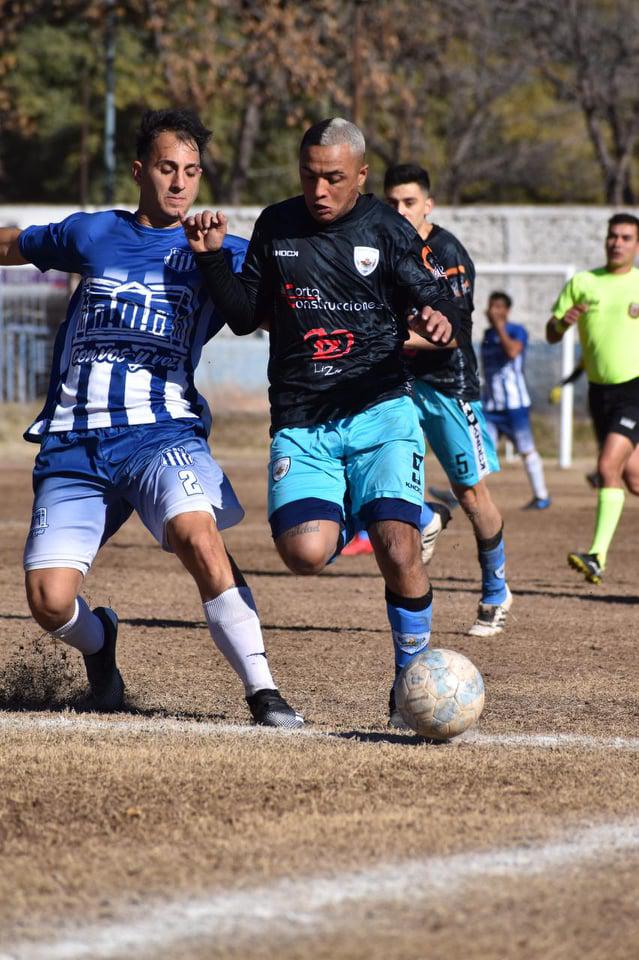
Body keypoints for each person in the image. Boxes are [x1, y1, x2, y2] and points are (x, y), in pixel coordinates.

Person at [0, 108, 302, 728]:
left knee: (198, 535)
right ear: (140, 170)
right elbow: (13, 243)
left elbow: (282, 310)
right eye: (167, 168)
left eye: (192, 171)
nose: (180, 183)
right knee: (49, 601)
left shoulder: (222, 251)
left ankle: (264, 692)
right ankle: (100, 640)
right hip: (75, 441)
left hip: (162, 433)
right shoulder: (92, 235)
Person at [180, 118, 461, 725]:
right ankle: (386, 509)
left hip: (380, 409)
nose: (320, 190)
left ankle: (409, 675)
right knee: (304, 552)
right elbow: (244, 315)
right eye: (310, 176)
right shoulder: (276, 224)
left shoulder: (386, 228)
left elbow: (430, 294)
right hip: (302, 418)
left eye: (334, 178)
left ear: (361, 175)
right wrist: (209, 261)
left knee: (397, 546)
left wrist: (439, 317)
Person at [384, 163, 512, 638]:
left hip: (448, 386)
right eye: (392, 202)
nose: (400, 211)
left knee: (472, 494)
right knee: (371, 474)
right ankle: (425, 515)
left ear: (428, 205)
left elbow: (452, 335)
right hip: (395, 383)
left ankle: (496, 591)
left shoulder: (446, 252)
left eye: (409, 203)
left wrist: (387, 340)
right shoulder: (380, 243)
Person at [546, 212, 639, 584]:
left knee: (605, 469)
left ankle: (597, 556)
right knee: (633, 478)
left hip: (636, 388)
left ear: (636, 244)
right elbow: (551, 333)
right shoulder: (583, 283)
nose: (617, 242)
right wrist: (563, 322)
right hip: (600, 394)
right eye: (613, 236)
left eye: (626, 237)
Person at [480, 291, 551, 509]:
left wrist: (500, 326)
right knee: (478, 451)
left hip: (515, 406)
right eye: (491, 306)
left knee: (526, 450)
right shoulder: (485, 335)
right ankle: (461, 496)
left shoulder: (516, 331)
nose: (494, 311)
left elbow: (512, 352)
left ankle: (541, 497)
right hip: (490, 407)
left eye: (499, 307)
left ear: (507, 311)